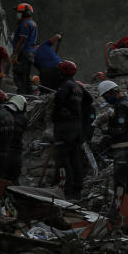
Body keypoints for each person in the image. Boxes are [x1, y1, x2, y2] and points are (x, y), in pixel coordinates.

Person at [97, 80, 128, 218]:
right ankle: (127, 211)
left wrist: (105, 131)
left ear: (112, 93)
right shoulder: (127, 103)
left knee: (120, 182)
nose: (106, 100)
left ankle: (116, 211)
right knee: (127, 181)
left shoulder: (121, 107)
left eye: (106, 97)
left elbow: (119, 129)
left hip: (122, 148)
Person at [52, 60, 86, 199]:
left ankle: (65, 190)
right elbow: (88, 101)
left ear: (62, 72)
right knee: (75, 159)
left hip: (64, 129)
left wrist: (58, 116)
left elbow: (58, 103)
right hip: (77, 128)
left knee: (63, 160)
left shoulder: (65, 86)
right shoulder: (78, 87)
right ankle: (77, 191)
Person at [10, 3, 38, 94]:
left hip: (23, 54)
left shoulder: (25, 24)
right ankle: (30, 98)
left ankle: (22, 98)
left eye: (19, 12)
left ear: (25, 13)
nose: (17, 14)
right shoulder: (33, 23)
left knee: (19, 78)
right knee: (26, 79)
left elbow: (22, 40)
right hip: (29, 55)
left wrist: (15, 54)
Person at [4, 94, 27, 184]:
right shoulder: (23, 118)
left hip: (3, 151)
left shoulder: (3, 115)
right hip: (16, 152)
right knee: (13, 179)